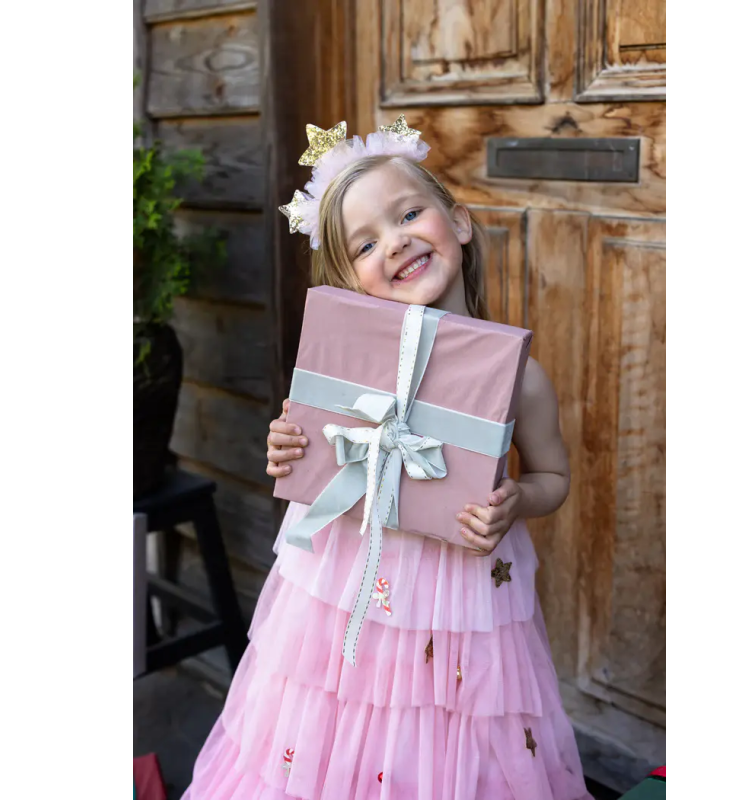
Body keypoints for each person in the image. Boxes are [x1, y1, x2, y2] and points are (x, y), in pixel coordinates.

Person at [182, 117, 593, 800]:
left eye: (409, 214)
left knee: (447, 748)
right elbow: (305, 459)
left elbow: (553, 477)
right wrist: (285, 449)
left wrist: (520, 498)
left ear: (458, 223)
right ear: (351, 283)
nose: (395, 241)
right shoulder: (342, 371)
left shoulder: (520, 377)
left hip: (459, 611)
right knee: (329, 738)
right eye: (366, 244)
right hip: (344, 593)